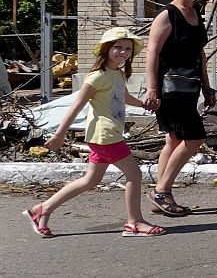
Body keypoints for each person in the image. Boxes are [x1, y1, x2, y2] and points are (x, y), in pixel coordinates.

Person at [22, 27, 166, 237]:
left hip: (108, 134)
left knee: (90, 180)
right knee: (134, 175)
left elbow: (123, 97)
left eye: (127, 49)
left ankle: (41, 210)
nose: (123, 52)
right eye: (117, 47)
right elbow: (76, 106)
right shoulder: (96, 77)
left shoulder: (116, 73)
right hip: (105, 135)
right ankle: (134, 223)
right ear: (106, 49)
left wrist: (145, 105)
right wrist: (60, 133)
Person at [142, 0, 216, 216]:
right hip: (169, 88)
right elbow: (152, 52)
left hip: (190, 86)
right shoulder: (167, 15)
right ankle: (162, 191)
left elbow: (200, 54)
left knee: (173, 139)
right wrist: (151, 88)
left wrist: (207, 87)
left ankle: (162, 193)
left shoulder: (196, 13)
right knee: (194, 138)